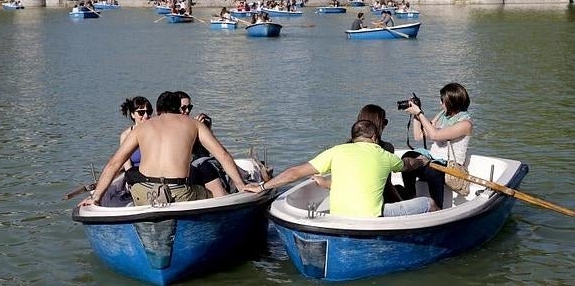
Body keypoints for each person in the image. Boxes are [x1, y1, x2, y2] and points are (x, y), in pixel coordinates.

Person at [78, 91, 246, 207]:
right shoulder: (193, 124)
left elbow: (114, 164)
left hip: (144, 193)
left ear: (157, 110)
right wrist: (241, 186)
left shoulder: (140, 129)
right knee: (213, 193)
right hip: (180, 193)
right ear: (179, 109)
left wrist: (95, 197)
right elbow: (222, 155)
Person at [244, 120, 437, 217]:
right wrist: (422, 160)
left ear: (353, 138)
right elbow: (408, 165)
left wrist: (262, 187)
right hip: (373, 216)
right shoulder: (382, 154)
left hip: (339, 217)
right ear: (375, 138)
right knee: (428, 203)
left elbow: (293, 173)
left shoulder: (336, 151)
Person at [401, 83, 473, 208]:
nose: (441, 104)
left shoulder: (465, 124)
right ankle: (410, 196)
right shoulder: (442, 115)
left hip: (450, 165)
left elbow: (435, 135)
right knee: (408, 157)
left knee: (433, 168)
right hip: (433, 160)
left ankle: (437, 206)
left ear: (452, 102)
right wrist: (416, 114)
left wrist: (419, 114)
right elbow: (419, 136)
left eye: (442, 100)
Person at [119, 97, 153, 171]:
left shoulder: (157, 131)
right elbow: (127, 166)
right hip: (135, 176)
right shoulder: (125, 135)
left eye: (149, 112)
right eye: (141, 113)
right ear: (133, 115)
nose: (146, 116)